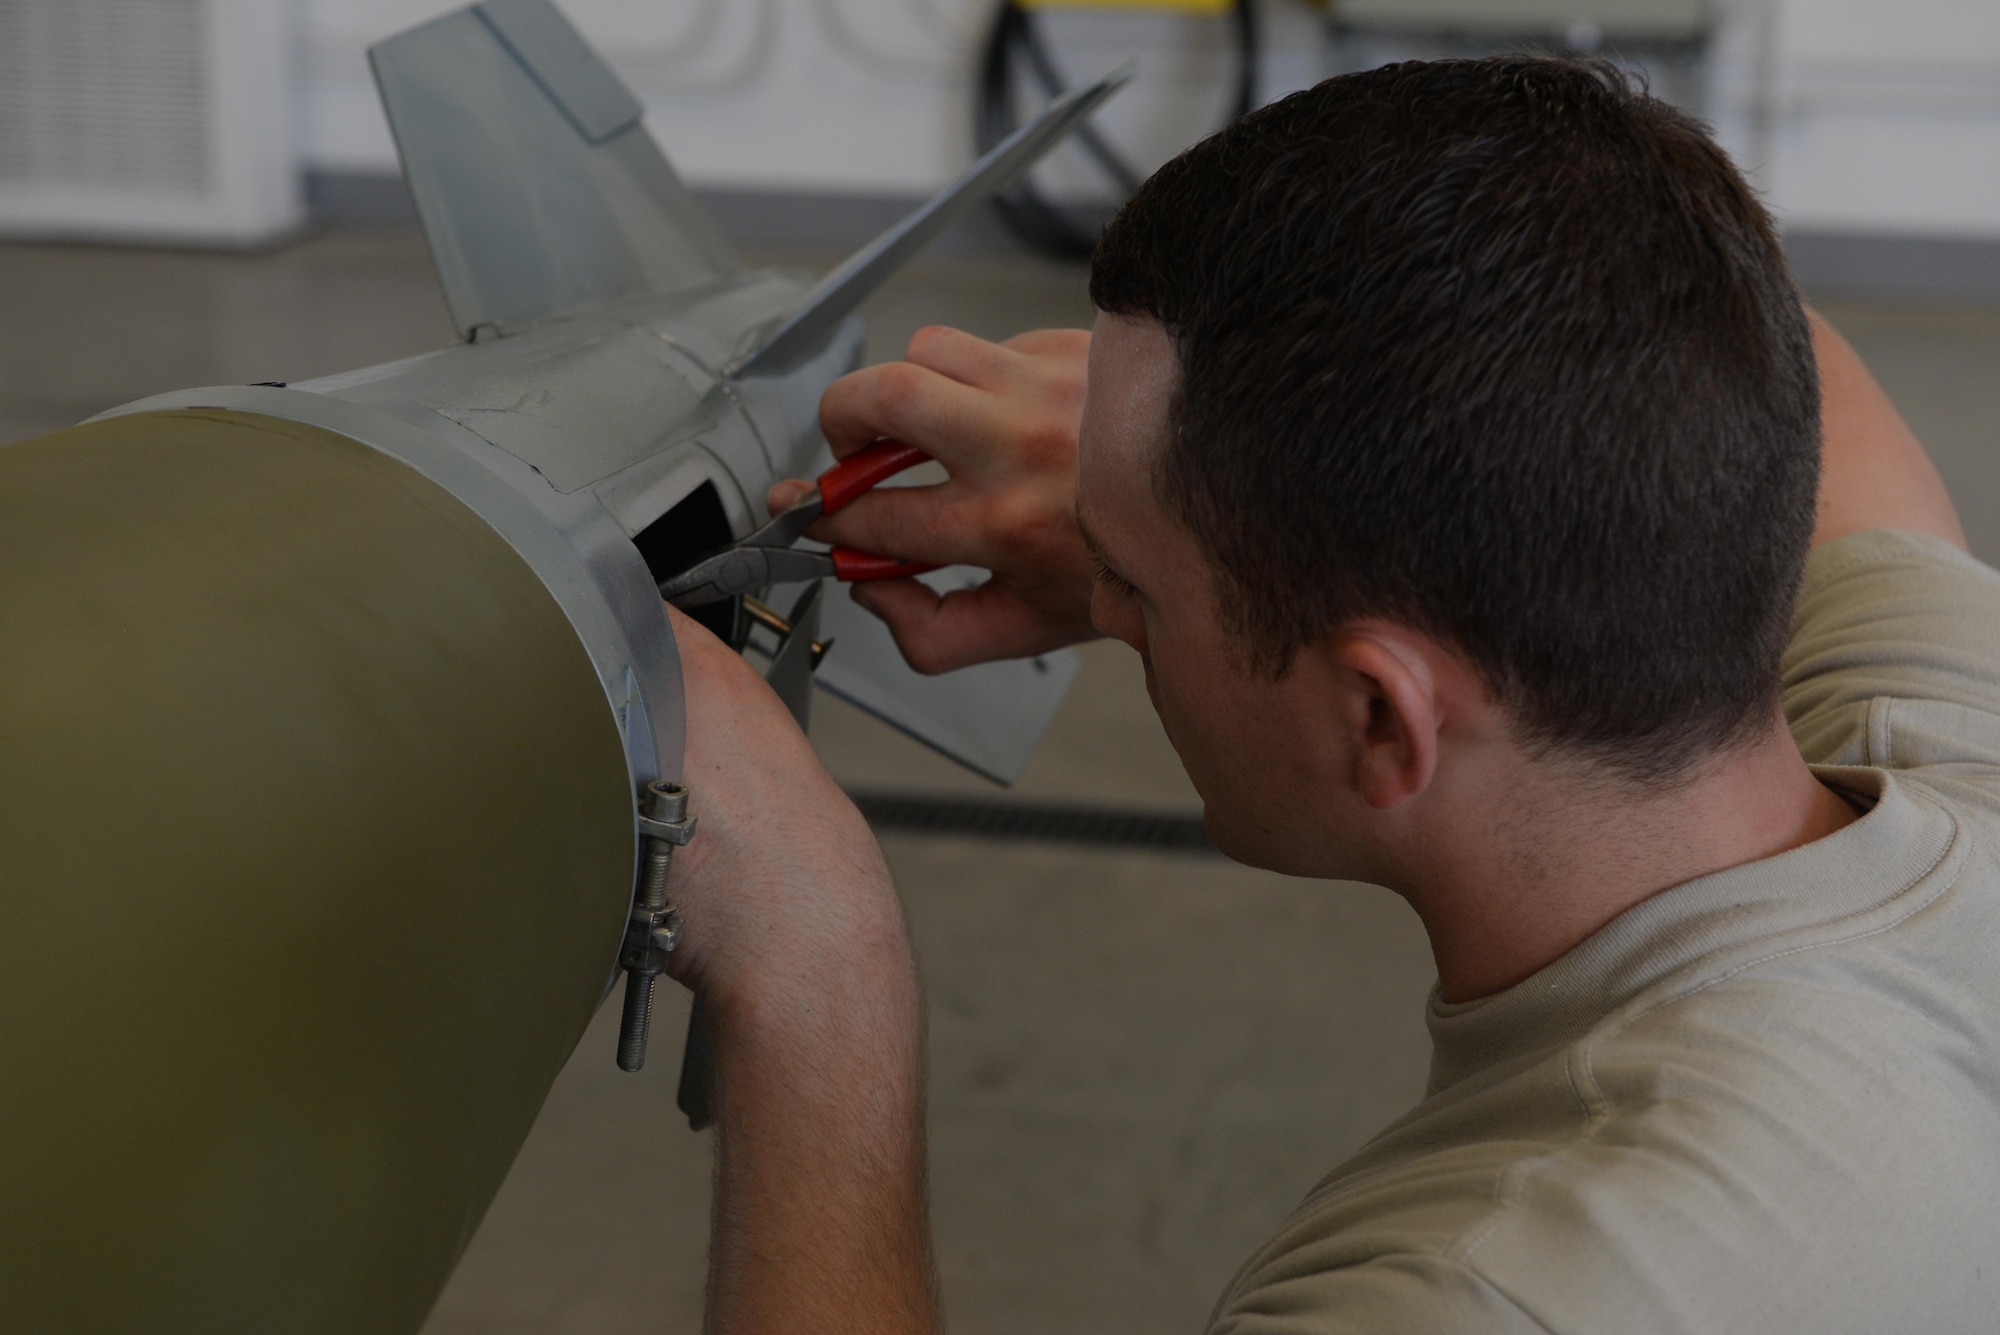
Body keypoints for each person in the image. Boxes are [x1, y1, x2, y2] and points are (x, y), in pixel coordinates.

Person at [657, 56, 2000, 1332]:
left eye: (1132, 584)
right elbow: (1730, 313)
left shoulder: (1500, 1294)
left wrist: (822, 971)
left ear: (1379, 720)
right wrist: (1202, 513)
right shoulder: (1953, 742)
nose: (1104, 608)